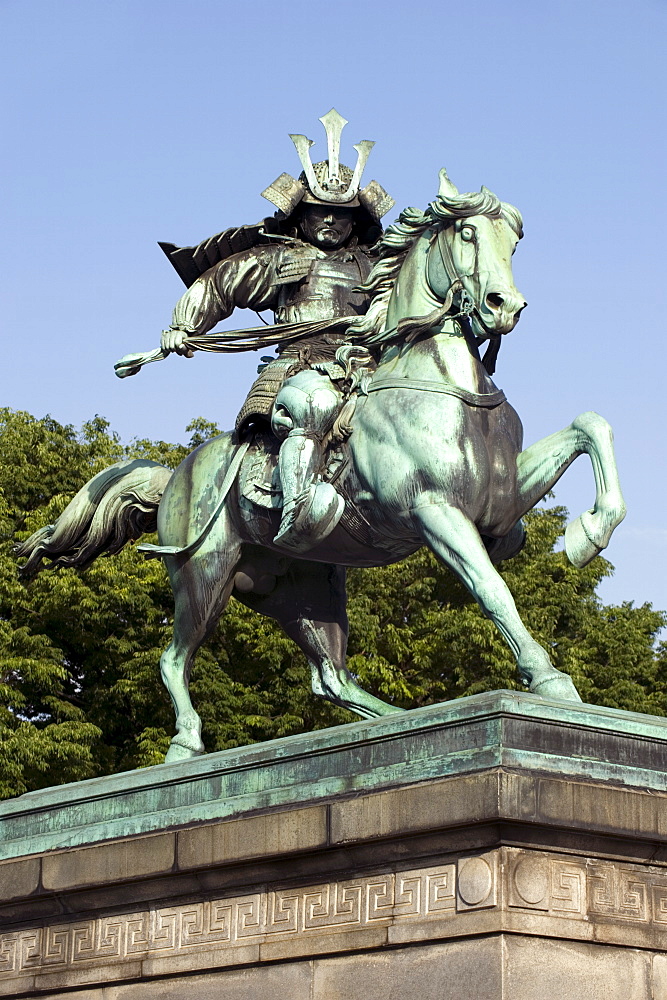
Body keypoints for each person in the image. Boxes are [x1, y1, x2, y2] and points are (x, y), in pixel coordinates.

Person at [160, 111, 394, 553]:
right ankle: (299, 508)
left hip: (363, 370)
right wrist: (183, 326)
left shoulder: (375, 265)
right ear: (300, 216)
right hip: (301, 368)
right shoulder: (280, 260)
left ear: (356, 221)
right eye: (319, 212)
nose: (329, 221)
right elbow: (219, 283)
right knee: (312, 406)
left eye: (340, 215)